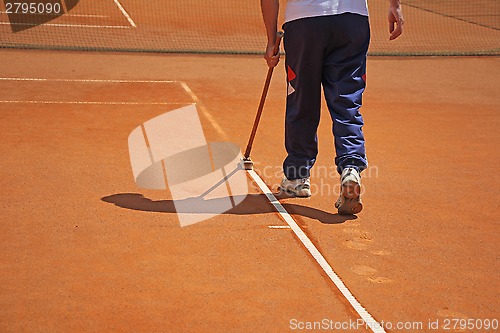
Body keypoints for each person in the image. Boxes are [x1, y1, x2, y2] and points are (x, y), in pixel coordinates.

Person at [260, 0, 404, 214]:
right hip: (352, 21)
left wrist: (272, 39)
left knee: (302, 99)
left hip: (304, 21)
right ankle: (351, 167)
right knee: (347, 102)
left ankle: (297, 175)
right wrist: (395, 5)